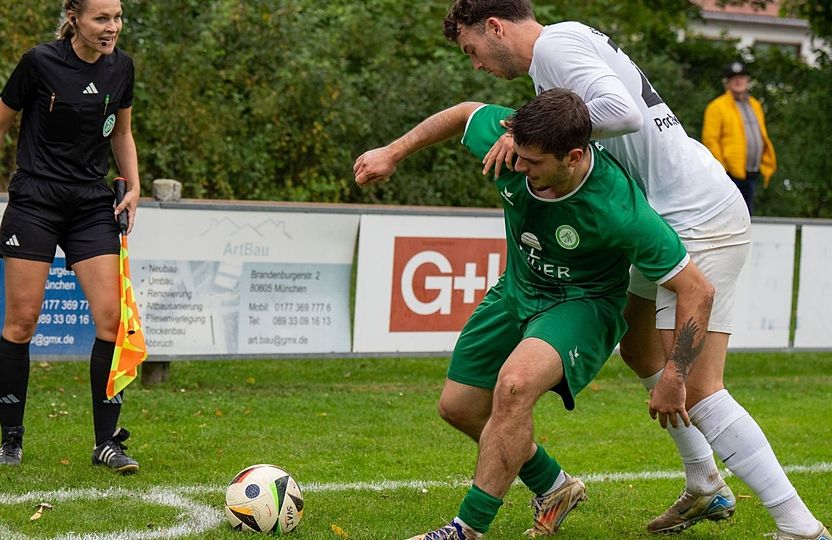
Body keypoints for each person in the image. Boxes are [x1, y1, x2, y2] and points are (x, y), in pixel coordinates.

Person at [441, 1, 828, 538]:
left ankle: (799, 526)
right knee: (640, 346)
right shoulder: (563, 42)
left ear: (496, 28)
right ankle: (705, 483)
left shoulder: (553, 49)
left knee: (697, 384)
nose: (477, 64)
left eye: (472, 50)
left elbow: (623, 113)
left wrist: (538, 139)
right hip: (671, 209)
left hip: (695, 216)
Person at [355, 88, 715, 539]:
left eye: (534, 162)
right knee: (459, 408)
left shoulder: (620, 210)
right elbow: (465, 113)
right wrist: (392, 153)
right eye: (518, 154)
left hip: (580, 304)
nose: (519, 167)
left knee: (514, 386)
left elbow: (697, 290)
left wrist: (675, 375)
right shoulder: (514, 144)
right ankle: (554, 486)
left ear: (574, 156)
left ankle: (465, 530)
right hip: (516, 290)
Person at [0, 0, 142, 474]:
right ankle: (11, 440)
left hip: (90, 204)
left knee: (111, 321)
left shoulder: (122, 67)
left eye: (117, 18)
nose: (111, 28)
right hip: (35, 202)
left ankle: (107, 443)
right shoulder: (39, 61)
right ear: (75, 18)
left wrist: (133, 184)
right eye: (102, 18)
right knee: (22, 322)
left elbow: (121, 131)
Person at [703, 61, 777, 214]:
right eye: (733, 78)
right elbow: (710, 140)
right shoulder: (717, 107)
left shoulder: (755, 104)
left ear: (748, 80)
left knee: (746, 215)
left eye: (742, 77)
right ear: (727, 83)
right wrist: (722, 169)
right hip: (729, 175)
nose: (738, 81)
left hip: (752, 172)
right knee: (729, 216)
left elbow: (760, 134)